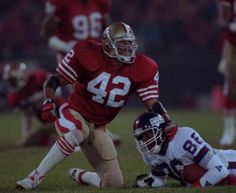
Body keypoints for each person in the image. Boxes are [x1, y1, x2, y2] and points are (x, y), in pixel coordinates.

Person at [16, 22, 171, 189]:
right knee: (77, 131)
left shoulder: (144, 66)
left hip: (98, 127)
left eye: (129, 43)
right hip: (73, 113)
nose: (127, 49)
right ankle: (34, 178)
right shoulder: (87, 52)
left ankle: (83, 176)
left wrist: (168, 122)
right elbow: (54, 80)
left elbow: (152, 102)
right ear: (108, 44)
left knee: (114, 183)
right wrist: (48, 101)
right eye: (122, 44)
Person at [40, 0, 120, 144]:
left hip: (95, 55)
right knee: (80, 93)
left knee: (99, 93)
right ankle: (77, 132)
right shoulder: (61, 3)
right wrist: (64, 45)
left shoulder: (101, 3)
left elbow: (108, 28)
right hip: (71, 55)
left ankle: (95, 131)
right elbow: (46, 32)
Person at [132, 112, 236, 188]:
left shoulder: (183, 138)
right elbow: (158, 180)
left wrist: (195, 187)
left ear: (160, 130)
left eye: (148, 135)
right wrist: (144, 183)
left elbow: (219, 170)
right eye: (141, 138)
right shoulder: (150, 155)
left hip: (231, 165)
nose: (145, 141)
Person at [3, 62, 64, 146]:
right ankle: (56, 140)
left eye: (12, 80)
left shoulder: (39, 77)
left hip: (61, 114)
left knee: (39, 134)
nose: (11, 83)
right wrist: (26, 137)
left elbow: (57, 92)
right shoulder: (14, 96)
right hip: (48, 123)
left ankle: (59, 139)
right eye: (10, 81)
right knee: (33, 140)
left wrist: (38, 98)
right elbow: (27, 115)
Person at [217, 0, 236, 145]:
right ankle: (229, 129)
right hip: (233, 45)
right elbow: (222, 20)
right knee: (231, 88)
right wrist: (230, 25)